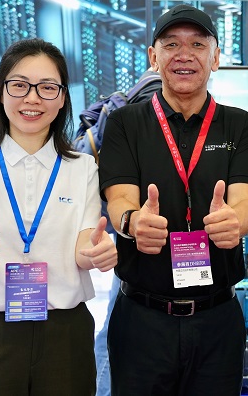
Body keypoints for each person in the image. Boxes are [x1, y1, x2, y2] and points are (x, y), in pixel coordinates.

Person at [98, 4, 248, 395]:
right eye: (171, 44)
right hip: (142, 318)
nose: (184, 54)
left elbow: (246, 200)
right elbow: (119, 197)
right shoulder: (125, 123)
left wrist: (236, 223)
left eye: (197, 44)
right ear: (153, 57)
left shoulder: (240, 125)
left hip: (217, 318)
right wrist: (132, 223)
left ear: (216, 58)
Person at [0, 38, 118, 395]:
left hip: (64, 334)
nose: (33, 98)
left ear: (63, 98)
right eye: (20, 85)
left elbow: (83, 244)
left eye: (48, 87)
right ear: (1, 92)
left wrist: (95, 252)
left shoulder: (83, 167)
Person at [93, 67, 162, 396]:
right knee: (117, 325)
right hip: (143, 230)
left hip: (136, 230)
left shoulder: (136, 96)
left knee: (116, 318)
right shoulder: (154, 98)